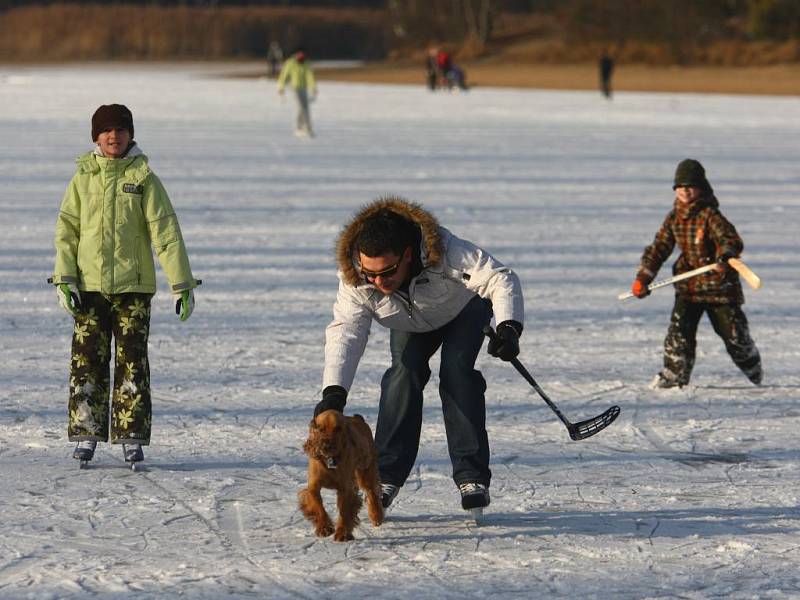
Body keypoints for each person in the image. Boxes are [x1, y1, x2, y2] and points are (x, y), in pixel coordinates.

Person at [313, 197, 524, 513]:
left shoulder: (446, 250)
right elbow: (346, 331)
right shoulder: (356, 279)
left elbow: (499, 277)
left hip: (463, 310)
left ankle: (472, 476)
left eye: (387, 272)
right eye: (370, 275)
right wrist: (334, 392)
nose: (378, 282)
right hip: (410, 322)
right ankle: (385, 475)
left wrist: (509, 327)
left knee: (457, 373)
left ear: (408, 255)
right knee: (404, 371)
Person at [50, 104, 199, 467]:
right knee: (87, 363)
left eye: (120, 130)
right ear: (95, 137)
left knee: (132, 363)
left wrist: (181, 284)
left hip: (133, 289)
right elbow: (66, 233)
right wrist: (64, 279)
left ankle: (131, 435)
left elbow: (166, 233)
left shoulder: (144, 177)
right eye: (106, 131)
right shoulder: (82, 178)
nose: (113, 137)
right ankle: (87, 433)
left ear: (130, 135)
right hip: (88, 288)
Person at [630, 158, 762, 389]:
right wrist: (643, 277)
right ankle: (674, 375)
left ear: (701, 187)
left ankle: (752, 367)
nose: (685, 191)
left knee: (734, 336)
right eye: (680, 187)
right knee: (679, 332)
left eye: (690, 186)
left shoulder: (710, 215)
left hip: (719, 288)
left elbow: (729, 240)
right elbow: (659, 248)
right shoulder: (674, 217)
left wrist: (725, 257)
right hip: (689, 287)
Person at [277, 47, 318, 138]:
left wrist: (313, 87)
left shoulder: (306, 64)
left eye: (303, 54)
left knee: (306, 107)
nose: (301, 55)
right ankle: (298, 128)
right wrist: (281, 87)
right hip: (294, 88)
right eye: (300, 54)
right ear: (296, 54)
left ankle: (308, 128)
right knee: (300, 107)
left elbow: (309, 76)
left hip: (303, 88)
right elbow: (284, 75)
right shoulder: (290, 63)